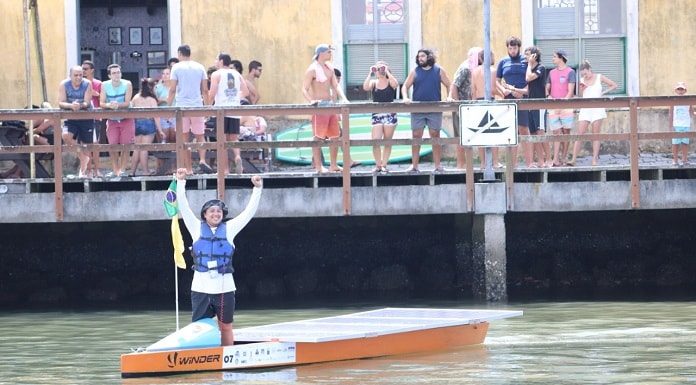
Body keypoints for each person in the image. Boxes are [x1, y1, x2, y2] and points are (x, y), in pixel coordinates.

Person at [175, 167, 262, 346]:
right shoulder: (195, 227)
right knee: (199, 327)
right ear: (205, 215)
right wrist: (181, 182)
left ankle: (228, 356)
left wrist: (257, 189)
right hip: (200, 287)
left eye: (219, 212)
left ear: (222, 215)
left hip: (224, 287)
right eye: (211, 212)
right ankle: (202, 355)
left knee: (226, 326)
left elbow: (249, 213)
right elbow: (183, 206)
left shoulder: (230, 229)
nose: (215, 214)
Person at [401, 48, 451, 173]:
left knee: (435, 135)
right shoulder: (415, 71)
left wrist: (449, 97)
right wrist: (405, 97)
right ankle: (414, 166)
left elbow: (449, 85)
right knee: (416, 136)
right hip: (417, 109)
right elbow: (405, 86)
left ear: (429, 57)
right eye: (419, 57)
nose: (420, 59)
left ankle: (438, 165)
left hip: (434, 108)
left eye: (422, 56)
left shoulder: (439, 70)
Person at [302, 43, 349, 173]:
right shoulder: (312, 69)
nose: (330, 54)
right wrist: (311, 101)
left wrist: (343, 98)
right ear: (321, 54)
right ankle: (318, 166)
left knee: (335, 136)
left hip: (330, 105)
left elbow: (335, 85)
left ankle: (333, 165)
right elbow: (304, 89)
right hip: (320, 106)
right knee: (318, 137)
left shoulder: (330, 68)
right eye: (328, 52)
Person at [168, 44, 212, 174]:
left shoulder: (176, 67)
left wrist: (169, 105)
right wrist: (207, 107)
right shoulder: (200, 67)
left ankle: (189, 169)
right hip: (197, 105)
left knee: (184, 138)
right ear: (190, 53)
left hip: (182, 106)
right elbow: (205, 89)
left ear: (180, 54)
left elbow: (172, 89)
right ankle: (202, 159)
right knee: (200, 135)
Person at [569, 60, 618, 166]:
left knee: (595, 134)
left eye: (586, 73)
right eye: (582, 74)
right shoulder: (582, 80)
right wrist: (582, 90)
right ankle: (573, 159)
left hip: (597, 108)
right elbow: (581, 96)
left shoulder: (599, 77)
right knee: (580, 134)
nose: (585, 76)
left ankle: (594, 159)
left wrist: (603, 93)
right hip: (585, 109)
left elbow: (614, 85)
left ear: (590, 70)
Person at [208, 53, 249, 174]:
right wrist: (235, 97)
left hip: (222, 110)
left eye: (216, 59)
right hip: (235, 108)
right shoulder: (237, 74)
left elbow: (212, 92)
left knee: (222, 141)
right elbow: (245, 92)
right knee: (234, 138)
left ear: (221, 61)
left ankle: (225, 169)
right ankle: (237, 158)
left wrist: (207, 106)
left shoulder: (216, 74)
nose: (215, 62)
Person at [497, 36, 531, 168]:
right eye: (510, 48)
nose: (512, 50)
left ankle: (529, 163)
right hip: (508, 99)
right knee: (511, 131)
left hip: (523, 98)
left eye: (514, 48)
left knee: (524, 129)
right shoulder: (503, 62)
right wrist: (502, 91)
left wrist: (521, 92)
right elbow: (496, 80)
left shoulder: (525, 61)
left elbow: (530, 81)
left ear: (519, 48)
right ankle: (512, 164)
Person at [363, 60, 399, 173]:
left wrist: (387, 71)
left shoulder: (390, 81)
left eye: (381, 68)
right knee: (375, 141)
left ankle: (384, 164)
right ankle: (378, 165)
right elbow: (365, 87)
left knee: (387, 141)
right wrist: (370, 73)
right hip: (377, 115)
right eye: (378, 69)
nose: (379, 71)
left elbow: (395, 84)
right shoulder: (374, 83)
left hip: (390, 114)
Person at [58, 65, 94, 178]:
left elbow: (87, 102)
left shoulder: (87, 83)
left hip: (85, 116)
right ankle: (83, 158)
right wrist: (70, 106)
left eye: (80, 75)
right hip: (71, 117)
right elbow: (61, 102)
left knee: (87, 144)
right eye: (76, 75)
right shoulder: (64, 84)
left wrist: (80, 105)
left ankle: (86, 172)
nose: (78, 77)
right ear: (70, 76)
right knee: (65, 136)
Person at [471, 49, 504, 168]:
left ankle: (483, 163)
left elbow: (473, 90)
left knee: (480, 134)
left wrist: (474, 104)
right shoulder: (492, 70)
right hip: (490, 100)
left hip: (478, 102)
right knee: (494, 133)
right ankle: (495, 162)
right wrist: (503, 95)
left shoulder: (474, 71)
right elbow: (493, 89)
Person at [100, 63, 135, 177]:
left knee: (126, 145)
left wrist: (117, 105)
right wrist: (109, 105)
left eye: (118, 72)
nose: (117, 75)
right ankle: (115, 170)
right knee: (112, 145)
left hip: (126, 118)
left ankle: (123, 170)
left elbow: (127, 102)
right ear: (109, 75)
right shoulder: (104, 85)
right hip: (112, 119)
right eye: (114, 73)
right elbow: (102, 102)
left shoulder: (127, 84)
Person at [448, 47, 480, 169]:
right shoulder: (465, 68)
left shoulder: (475, 68)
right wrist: (458, 106)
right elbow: (454, 85)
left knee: (470, 136)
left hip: (471, 108)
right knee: (461, 137)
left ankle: (468, 164)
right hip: (462, 108)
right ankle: (461, 164)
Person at [546, 49, 576, 167]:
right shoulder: (551, 72)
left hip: (566, 107)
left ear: (561, 58)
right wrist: (548, 96)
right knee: (556, 132)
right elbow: (547, 88)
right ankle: (555, 159)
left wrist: (561, 105)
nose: (552, 59)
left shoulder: (570, 72)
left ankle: (564, 157)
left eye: (554, 57)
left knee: (566, 132)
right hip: (553, 106)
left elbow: (570, 92)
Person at [130, 78, 164, 176]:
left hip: (137, 123)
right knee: (144, 148)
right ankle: (145, 171)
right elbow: (156, 116)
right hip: (148, 123)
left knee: (137, 148)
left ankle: (132, 171)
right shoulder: (152, 99)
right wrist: (160, 130)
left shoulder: (135, 97)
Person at [524, 46, 551, 167]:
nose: (526, 57)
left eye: (528, 54)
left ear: (534, 56)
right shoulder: (528, 68)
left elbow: (528, 78)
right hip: (530, 104)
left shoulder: (541, 68)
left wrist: (529, 65)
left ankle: (549, 159)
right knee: (534, 133)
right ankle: (540, 161)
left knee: (540, 132)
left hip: (539, 104)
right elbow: (527, 88)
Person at [82, 60, 104, 177]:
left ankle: (97, 170)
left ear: (92, 70)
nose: (83, 71)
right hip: (82, 118)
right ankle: (87, 170)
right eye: (82, 69)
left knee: (95, 144)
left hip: (95, 117)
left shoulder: (99, 84)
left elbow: (104, 100)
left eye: (86, 69)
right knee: (84, 144)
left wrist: (97, 94)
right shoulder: (79, 83)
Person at [669, 82, 693, 166]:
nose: (680, 91)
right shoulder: (673, 100)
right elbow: (671, 112)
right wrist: (670, 125)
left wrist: (693, 116)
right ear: (676, 90)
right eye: (679, 89)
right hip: (677, 124)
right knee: (675, 143)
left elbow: (691, 112)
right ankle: (675, 160)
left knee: (685, 143)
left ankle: (684, 159)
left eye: (682, 89)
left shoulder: (689, 100)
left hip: (686, 124)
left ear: (685, 90)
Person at [154, 67, 176, 143]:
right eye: (163, 73)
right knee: (164, 138)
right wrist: (163, 100)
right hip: (162, 115)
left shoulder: (176, 87)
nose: (165, 75)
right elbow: (154, 103)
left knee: (174, 137)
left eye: (167, 74)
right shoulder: (157, 88)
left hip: (174, 115)